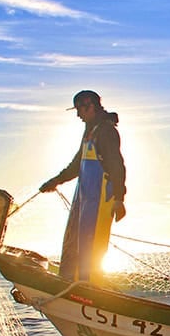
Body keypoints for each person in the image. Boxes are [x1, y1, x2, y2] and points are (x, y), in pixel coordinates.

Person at [39, 90, 126, 284]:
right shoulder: (89, 132)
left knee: (92, 245)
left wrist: (119, 199)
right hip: (84, 198)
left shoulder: (106, 131)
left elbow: (117, 166)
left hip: (101, 199)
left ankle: (91, 288)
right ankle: (71, 281)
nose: (78, 115)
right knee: (75, 241)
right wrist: (55, 181)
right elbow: (77, 165)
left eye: (80, 110)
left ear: (91, 106)